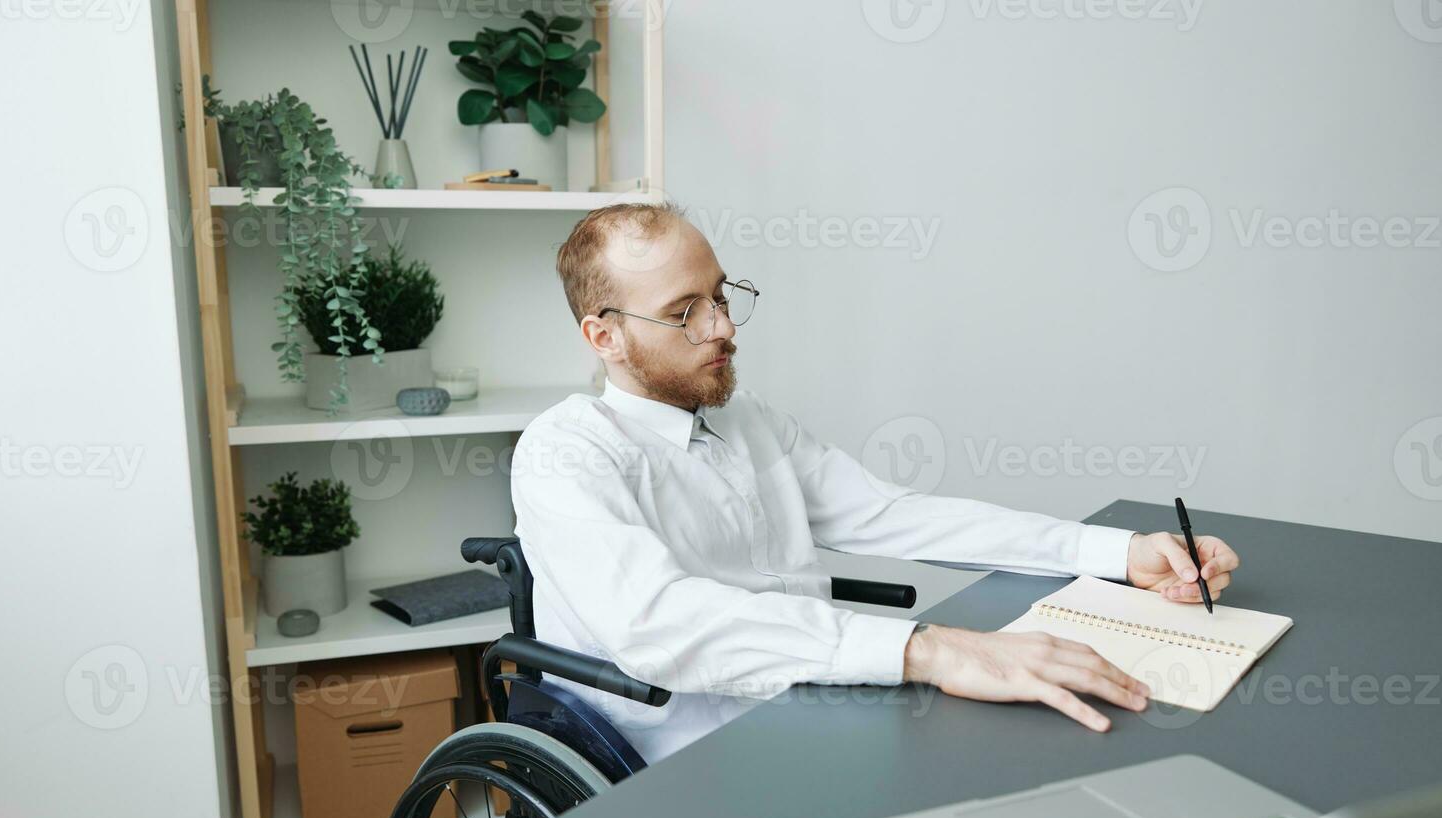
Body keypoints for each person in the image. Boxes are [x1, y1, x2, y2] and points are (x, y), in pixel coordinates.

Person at [510, 202, 1240, 763]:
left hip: (818, 698)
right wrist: (927, 649)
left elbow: (900, 517)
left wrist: (1119, 553)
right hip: (692, 746)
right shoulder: (565, 453)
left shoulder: (749, 422)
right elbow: (659, 624)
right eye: (684, 314)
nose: (724, 328)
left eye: (721, 296)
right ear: (603, 336)